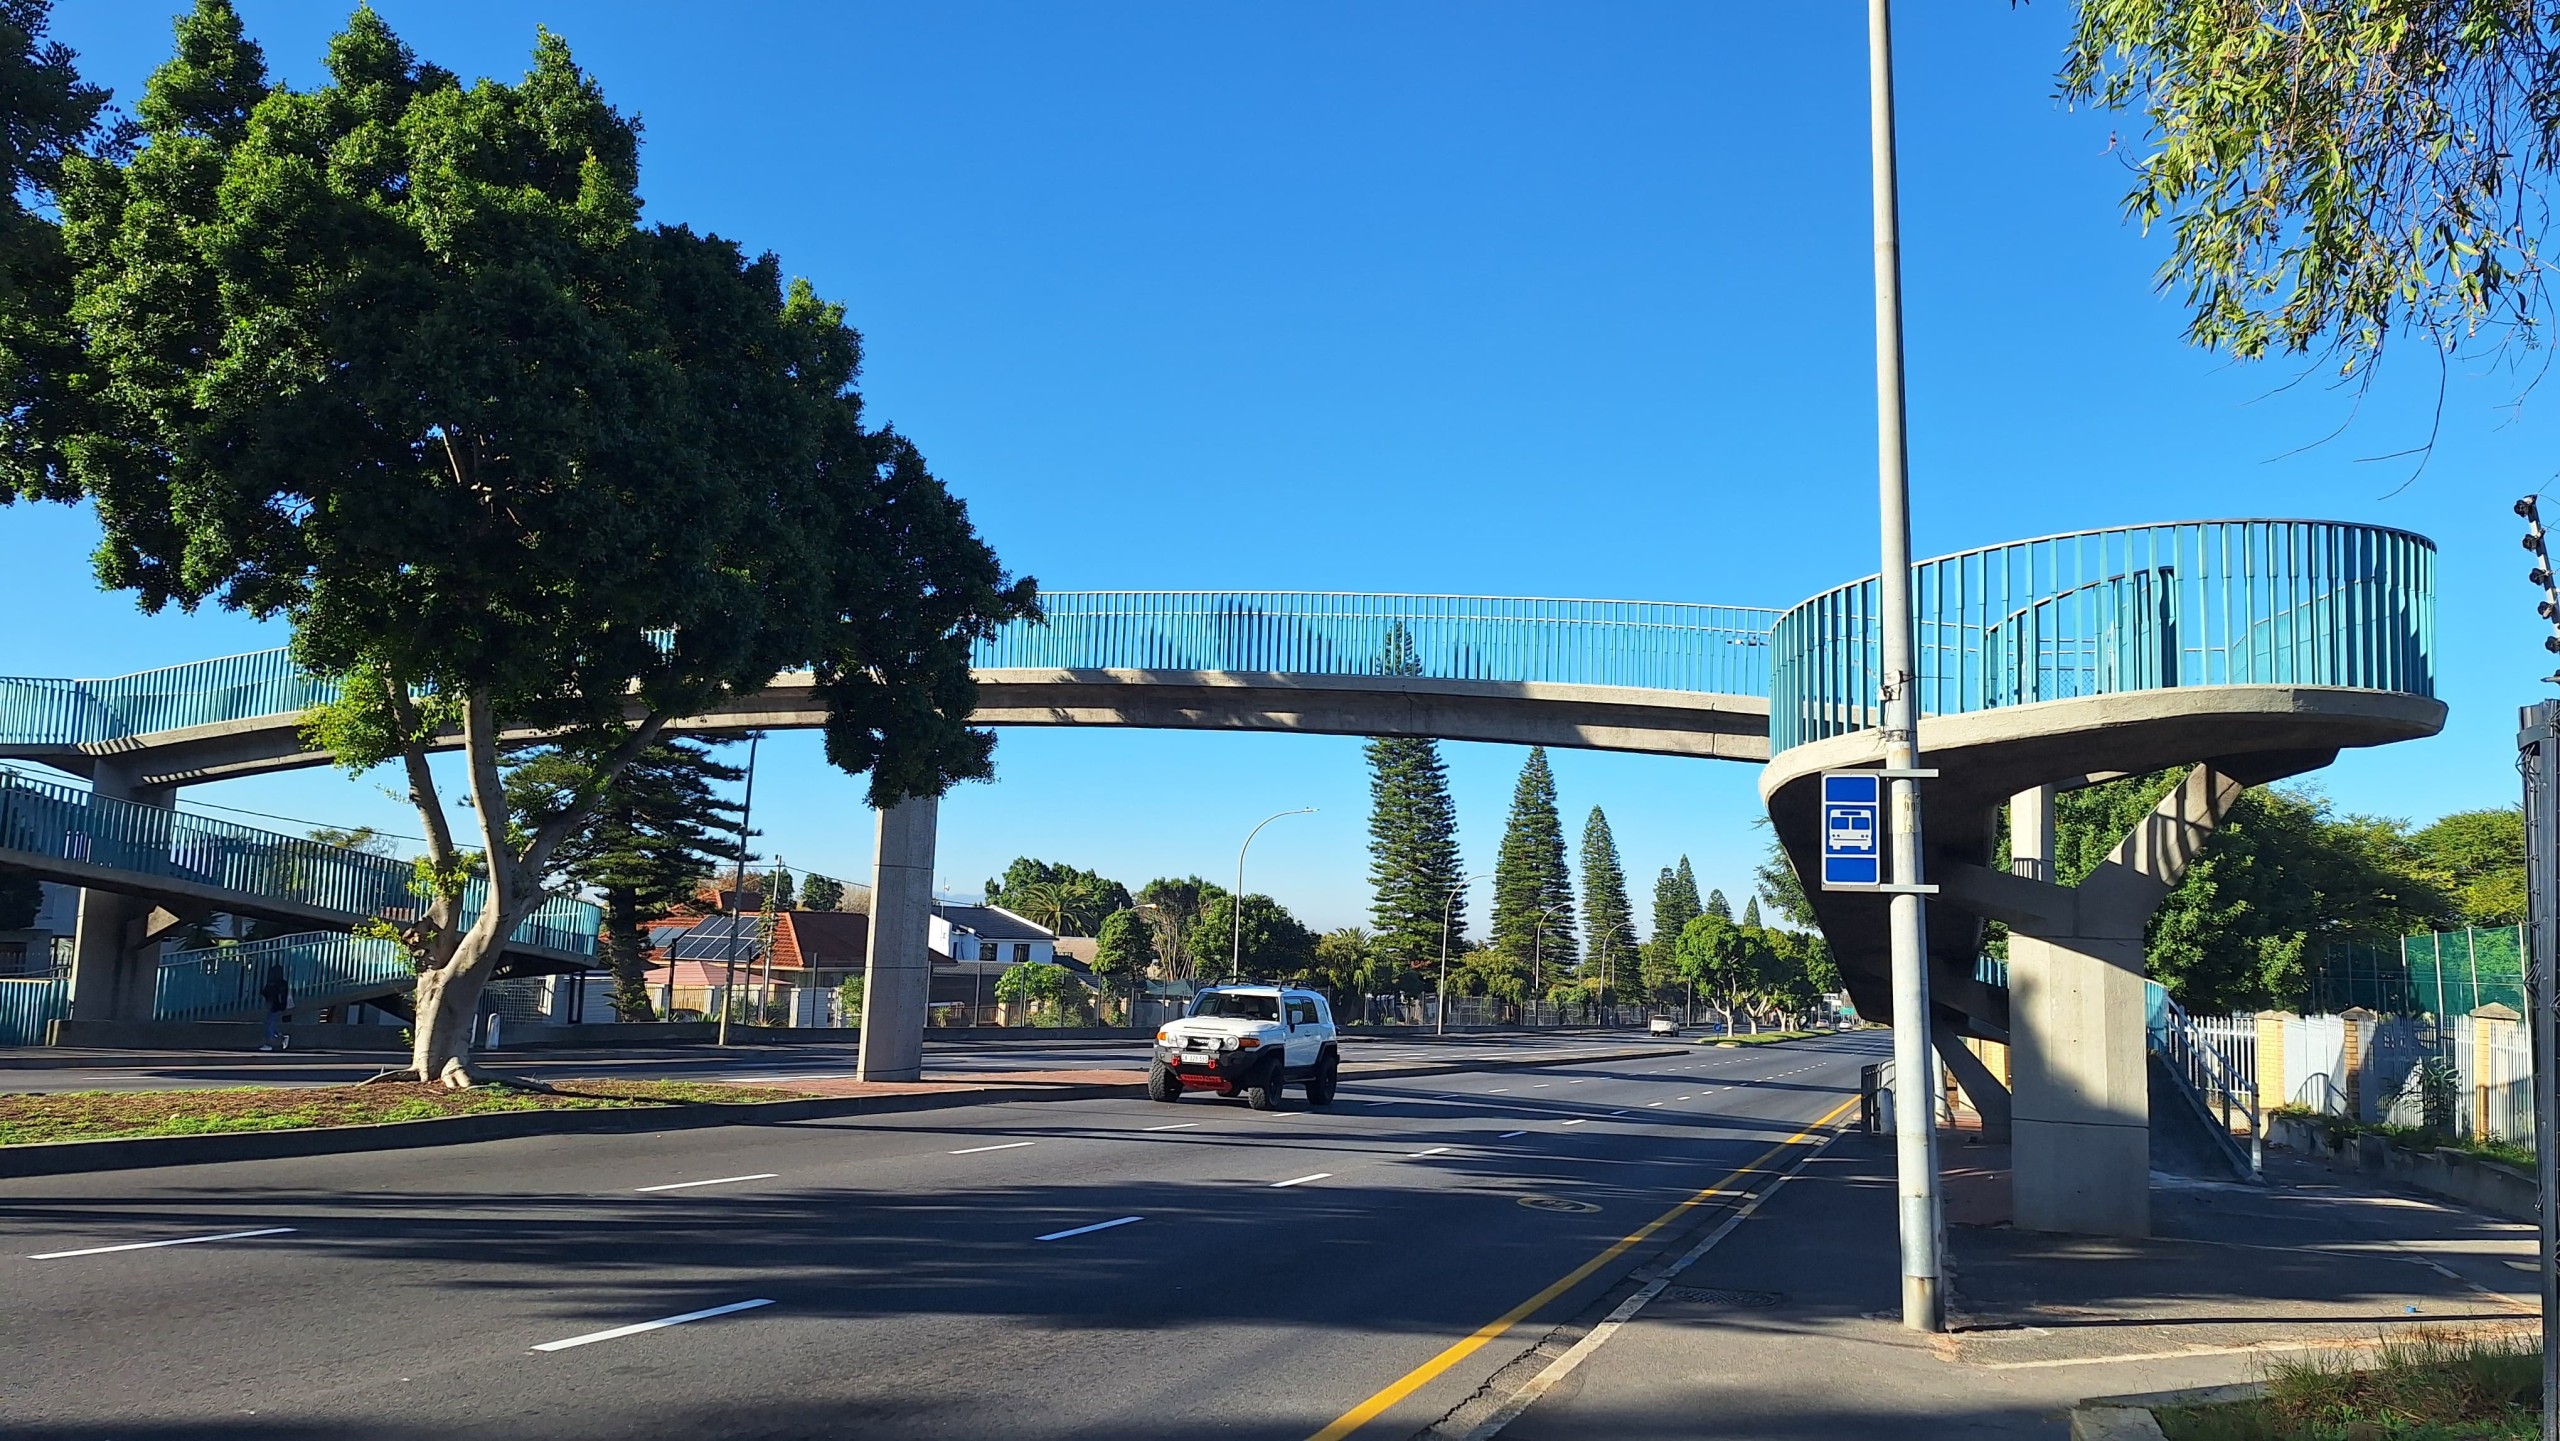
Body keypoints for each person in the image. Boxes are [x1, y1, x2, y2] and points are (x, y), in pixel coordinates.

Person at [259, 963, 292, 1052]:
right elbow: (283, 996)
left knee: (269, 1025)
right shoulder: (283, 983)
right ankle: (281, 1038)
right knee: (272, 1025)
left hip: (272, 1005)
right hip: (277, 1006)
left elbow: (266, 993)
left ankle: (270, 1043)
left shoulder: (272, 982)